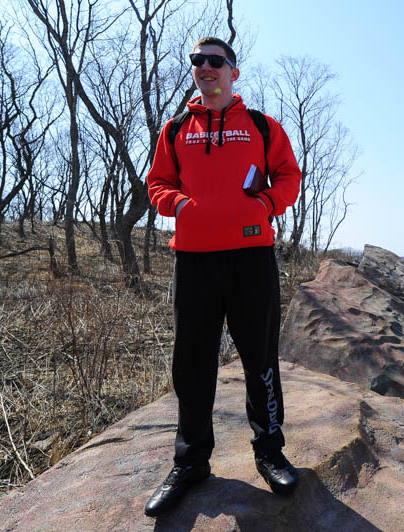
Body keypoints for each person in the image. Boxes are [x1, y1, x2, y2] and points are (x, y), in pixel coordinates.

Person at [144, 36, 302, 518]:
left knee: (260, 358)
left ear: (234, 72)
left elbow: (289, 177)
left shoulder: (261, 125)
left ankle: (270, 452)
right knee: (192, 364)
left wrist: (266, 203)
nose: (206, 67)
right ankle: (191, 462)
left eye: (216, 60)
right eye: (198, 61)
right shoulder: (175, 129)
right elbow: (158, 183)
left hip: (252, 256)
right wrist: (180, 205)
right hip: (194, 260)